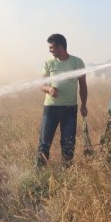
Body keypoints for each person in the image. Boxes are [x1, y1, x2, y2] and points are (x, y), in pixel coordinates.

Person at [37, 33, 88, 167]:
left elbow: (83, 85)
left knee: (68, 143)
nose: (49, 50)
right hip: (51, 108)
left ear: (61, 47)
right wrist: (49, 90)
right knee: (44, 142)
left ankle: (66, 172)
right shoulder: (49, 63)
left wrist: (83, 105)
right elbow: (41, 84)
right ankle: (39, 172)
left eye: (52, 47)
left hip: (70, 109)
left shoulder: (77, 62)